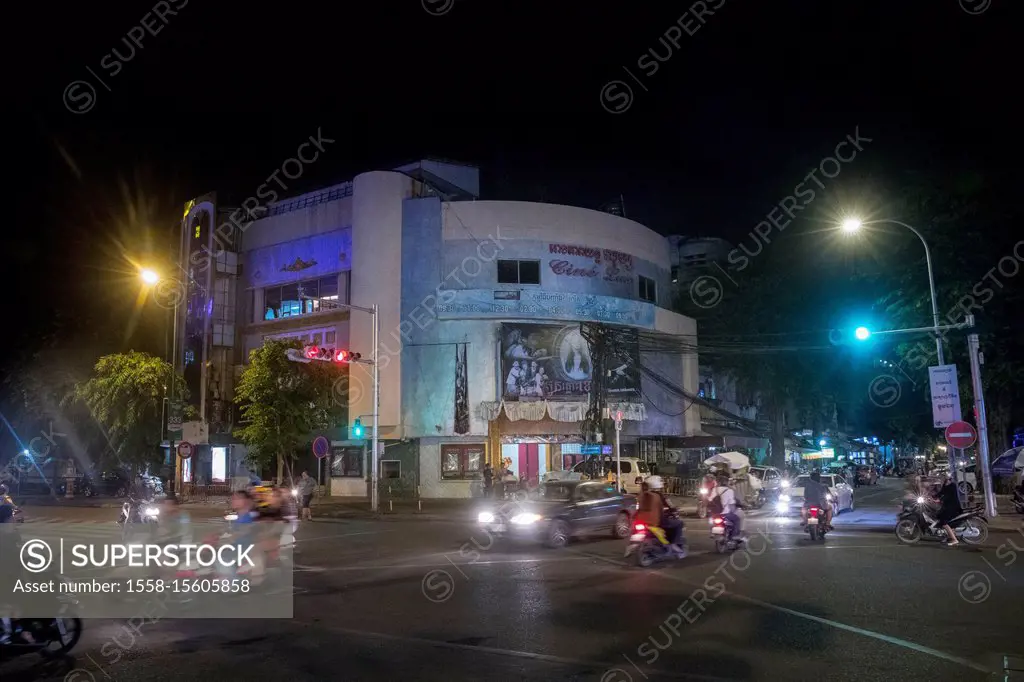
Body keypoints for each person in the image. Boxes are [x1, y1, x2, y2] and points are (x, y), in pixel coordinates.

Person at [709, 474, 744, 539]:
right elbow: (731, 504)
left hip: (715, 513)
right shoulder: (729, 491)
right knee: (737, 520)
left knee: (711, 519)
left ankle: (711, 532)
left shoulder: (714, 490)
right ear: (726, 482)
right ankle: (735, 536)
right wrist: (734, 510)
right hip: (725, 514)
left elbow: (710, 500)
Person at [933, 473, 963, 546]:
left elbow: (948, 496)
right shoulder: (945, 485)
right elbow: (941, 493)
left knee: (943, 521)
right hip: (947, 506)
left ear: (947, 478)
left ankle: (954, 539)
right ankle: (948, 536)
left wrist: (939, 500)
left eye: (942, 478)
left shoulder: (953, 486)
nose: (941, 479)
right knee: (938, 516)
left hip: (953, 507)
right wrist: (932, 496)